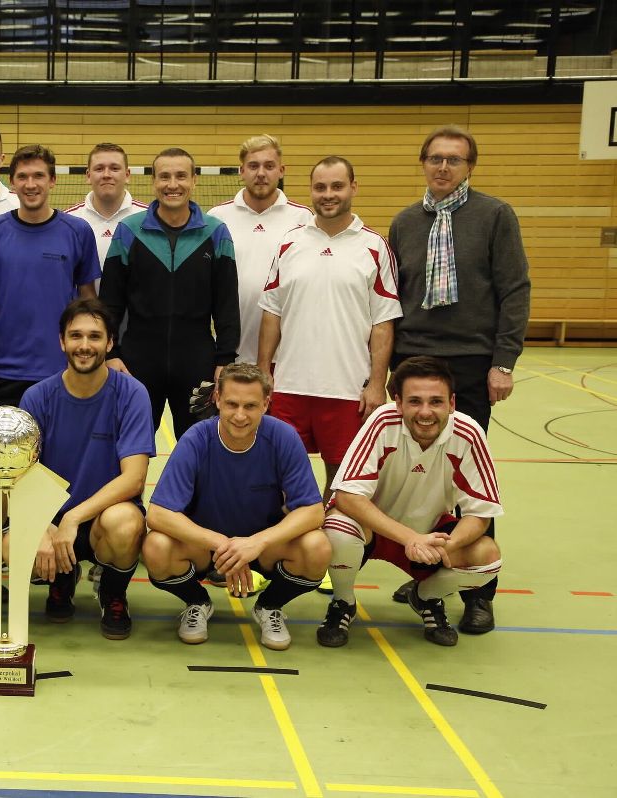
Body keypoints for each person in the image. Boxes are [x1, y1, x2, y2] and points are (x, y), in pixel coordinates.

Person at [387, 125, 531, 635]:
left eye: (454, 159)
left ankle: (477, 592)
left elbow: (515, 289)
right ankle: (422, 569)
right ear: (423, 163)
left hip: (470, 362)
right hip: (411, 361)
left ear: (470, 166)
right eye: (435, 159)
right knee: (411, 475)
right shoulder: (404, 223)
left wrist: (503, 360)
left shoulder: (495, 216)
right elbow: (390, 299)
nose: (443, 167)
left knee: (469, 479)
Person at [319, 356, 504, 648]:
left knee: (487, 558)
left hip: (431, 533)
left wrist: (445, 546)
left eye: (436, 402)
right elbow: (347, 495)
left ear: (452, 403)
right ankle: (343, 602)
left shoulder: (468, 434)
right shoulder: (382, 422)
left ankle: (427, 598)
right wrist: (410, 538)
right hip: (373, 529)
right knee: (337, 528)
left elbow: (481, 513)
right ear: (398, 403)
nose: (425, 412)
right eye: (415, 401)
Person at [143, 363, 328, 648]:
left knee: (318, 547)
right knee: (156, 547)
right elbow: (158, 513)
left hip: (264, 547)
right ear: (217, 399)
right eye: (231, 404)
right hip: (206, 548)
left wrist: (256, 542)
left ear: (266, 404)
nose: (240, 415)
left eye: (250, 406)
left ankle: (270, 606)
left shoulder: (283, 437)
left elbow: (313, 511)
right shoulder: (197, 438)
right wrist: (222, 543)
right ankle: (197, 602)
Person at [257, 156, 401, 496]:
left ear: (353, 188)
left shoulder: (375, 247)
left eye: (337, 186)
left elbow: (383, 322)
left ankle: (332, 546)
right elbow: (271, 313)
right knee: (279, 476)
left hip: (348, 388)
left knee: (341, 484)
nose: (328, 194)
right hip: (290, 384)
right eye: (320, 187)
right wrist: (265, 372)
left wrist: (377, 383)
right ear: (310, 191)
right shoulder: (289, 243)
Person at [18, 298, 154, 640]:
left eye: (94, 337)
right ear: (62, 341)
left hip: (100, 519)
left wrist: (73, 517)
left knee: (124, 524)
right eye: (75, 336)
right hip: (51, 519)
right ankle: (61, 580)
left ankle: (112, 592)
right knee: (10, 538)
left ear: (109, 343)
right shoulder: (36, 397)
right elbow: (21, 475)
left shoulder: (132, 394)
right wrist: (45, 525)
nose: (84, 345)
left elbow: (134, 478)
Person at [100, 147, 239, 441]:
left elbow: (227, 304)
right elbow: (110, 302)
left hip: (196, 360)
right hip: (137, 360)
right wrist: (110, 354)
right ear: (153, 181)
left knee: (201, 448)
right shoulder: (128, 231)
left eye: (180, 176)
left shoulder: (216, 233)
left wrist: (224, 360)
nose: (172, 184)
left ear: (194, 180)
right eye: (164, 177)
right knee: (127, 446)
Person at [0, 145, 99, 411]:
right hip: (0, 372)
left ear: (52, 180)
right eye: (22, 177)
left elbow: (89, 302)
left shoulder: (77, 231)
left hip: (60, 370)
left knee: (59, 453)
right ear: (12, 182)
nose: (30, 184)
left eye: (39, 176)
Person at [207, 134, 313, 364]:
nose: (261, 173)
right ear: (241, 171)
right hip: (230, 352)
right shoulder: (217, 218)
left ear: (281, 170)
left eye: (269, 166)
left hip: (286, 355)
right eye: (253, 166)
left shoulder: (303, 218)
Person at [64, 143, 148, 280]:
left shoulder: (149, 218)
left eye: (114, 168)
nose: (106, 175)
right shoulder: (68, 219)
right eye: (99, 169)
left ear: (127, 175)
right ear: (88, 175)